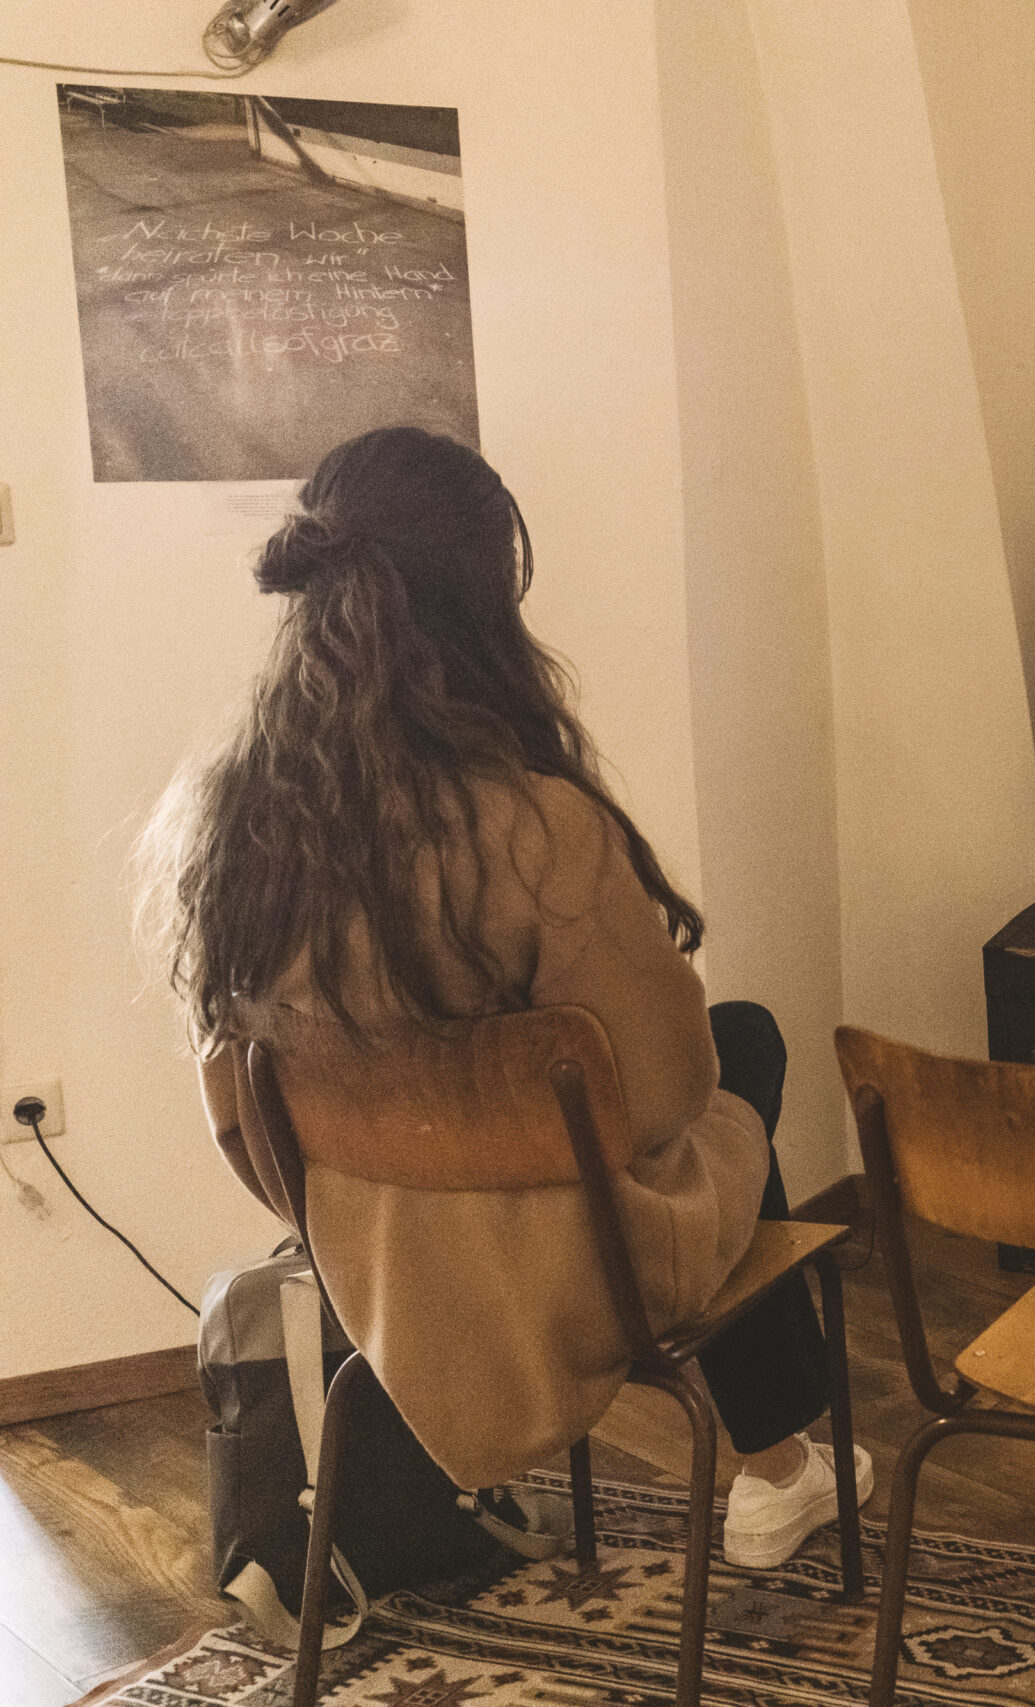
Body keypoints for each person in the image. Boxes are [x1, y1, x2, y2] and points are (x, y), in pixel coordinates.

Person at [142, 426, 864, 1571]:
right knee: (743, 1042)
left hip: (376, 1269)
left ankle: (782, 1470)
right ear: (482, 597)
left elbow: (239, 1117)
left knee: (722, 1050)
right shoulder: (534, 827)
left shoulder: (228, 829)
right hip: (579, 1275)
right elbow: (665, 1100)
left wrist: (366, 1205)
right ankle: (777, 1466)